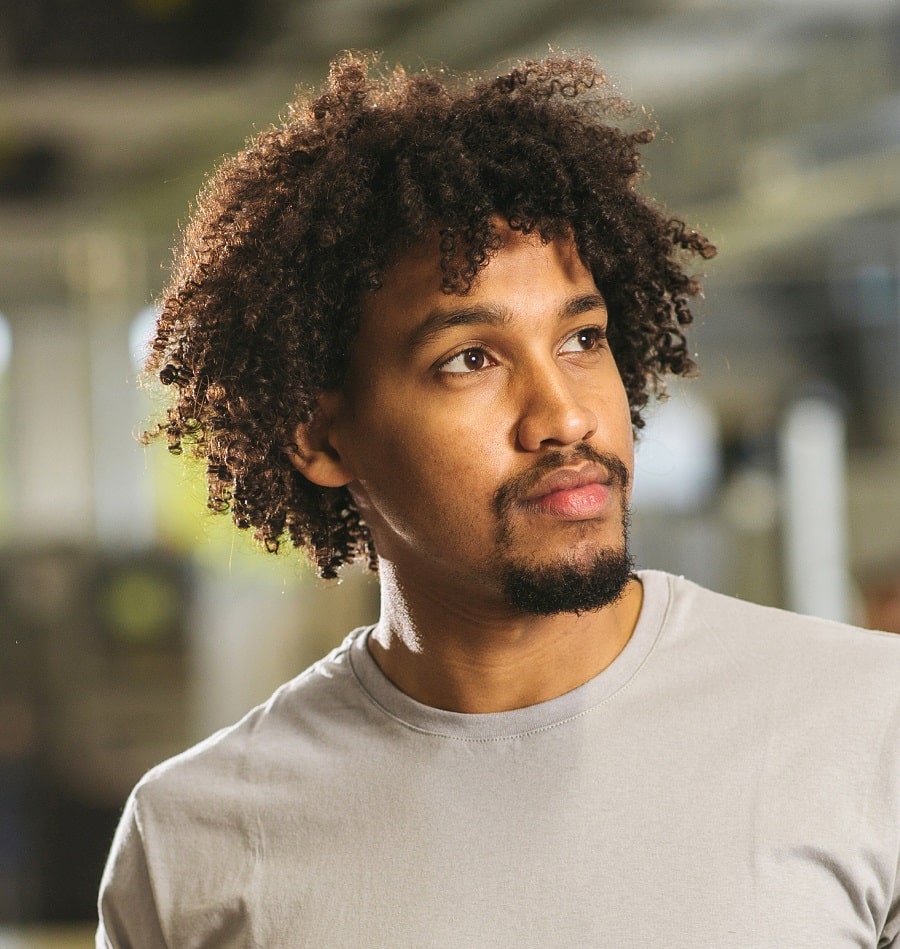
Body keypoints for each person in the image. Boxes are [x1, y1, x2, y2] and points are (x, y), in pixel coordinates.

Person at [97, 53, 900, 947]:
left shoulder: (870, 726)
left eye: (583, 337)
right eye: (469, 358)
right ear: (322, 439)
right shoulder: (192, 842)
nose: (565, 416)